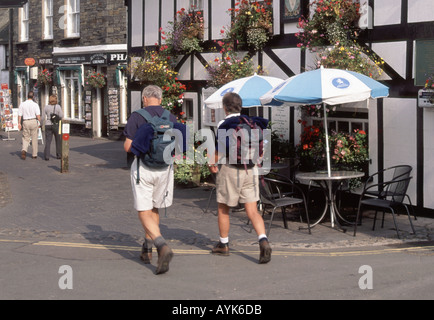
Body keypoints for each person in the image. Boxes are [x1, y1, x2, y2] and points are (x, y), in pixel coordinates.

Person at [123, 85, 181, 275]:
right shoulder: (170, 117)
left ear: (145, 98)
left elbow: (128, 147)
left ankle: (161, 244)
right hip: (164, 168)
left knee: (143, 209)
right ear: (160, 99)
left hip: (143, 168)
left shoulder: (137, 116)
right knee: (154, 207)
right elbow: (178, 144)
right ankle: (147, 249)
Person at [209, 92, 272, 264]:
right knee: (252, 210)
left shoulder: (225, 124)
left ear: (224, 107)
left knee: (223, 208)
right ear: (240, 106)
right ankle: (263, 240)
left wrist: (211, 163)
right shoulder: (253, 123)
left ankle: (224, 245)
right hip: (250, 170)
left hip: (231, 169)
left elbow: (220, 150)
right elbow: (263, 149)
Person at [18, 91, 41, 160]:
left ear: (27, 96)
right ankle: (34, 154)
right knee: (34, 138)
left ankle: (24, 149)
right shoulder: (35, 104)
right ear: (33, 97)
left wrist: (19, 123)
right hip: (33, 121)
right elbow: (38, 116)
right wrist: (39, 122)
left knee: (25, 137)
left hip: (25, 121)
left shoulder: (22, 104)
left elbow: (20, 115)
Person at [43, 95, 64, 161]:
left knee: (48, 141)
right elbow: (61, 115)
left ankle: (47, 155)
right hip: (56, 125)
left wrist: (41, 124)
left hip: (48, 125)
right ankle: (59, 155)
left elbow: (43, 117)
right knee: (58, 140)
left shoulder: (46, 107)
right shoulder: (58, 107)